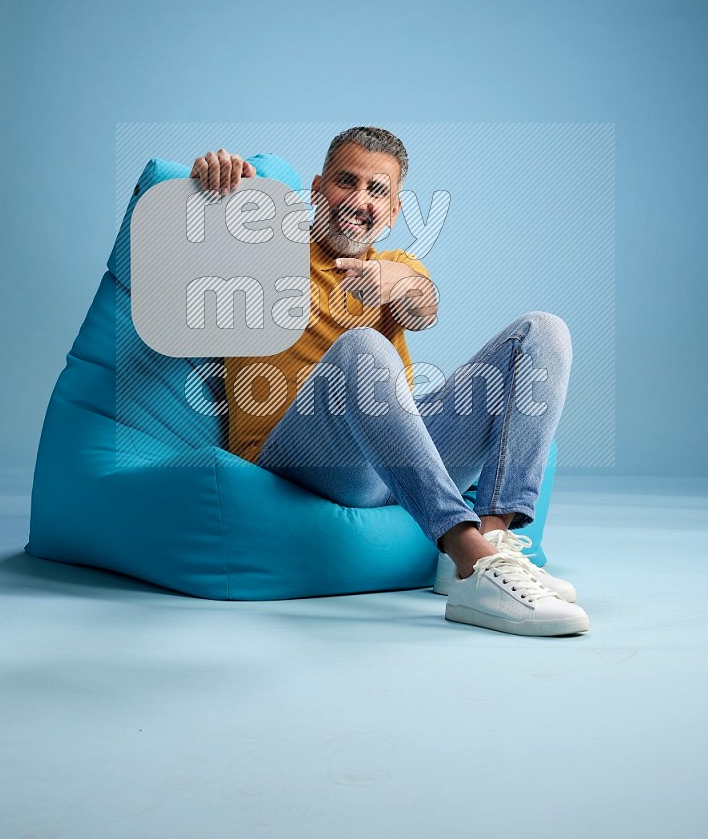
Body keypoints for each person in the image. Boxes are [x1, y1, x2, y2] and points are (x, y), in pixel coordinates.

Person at [190, 127, 589, 637]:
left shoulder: (396, 265)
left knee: (543, 331)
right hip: (299, 460)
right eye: (345, 182)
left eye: (377, 190)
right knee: (364, 347)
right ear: (317, 188)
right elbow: (195, 245)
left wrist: (396, 283)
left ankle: (493, 547)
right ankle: (467, 557)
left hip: (396, 460)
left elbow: (422, 305)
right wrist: (209, 183)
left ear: (395, 210)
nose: (359, 200)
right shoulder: (266, 250)